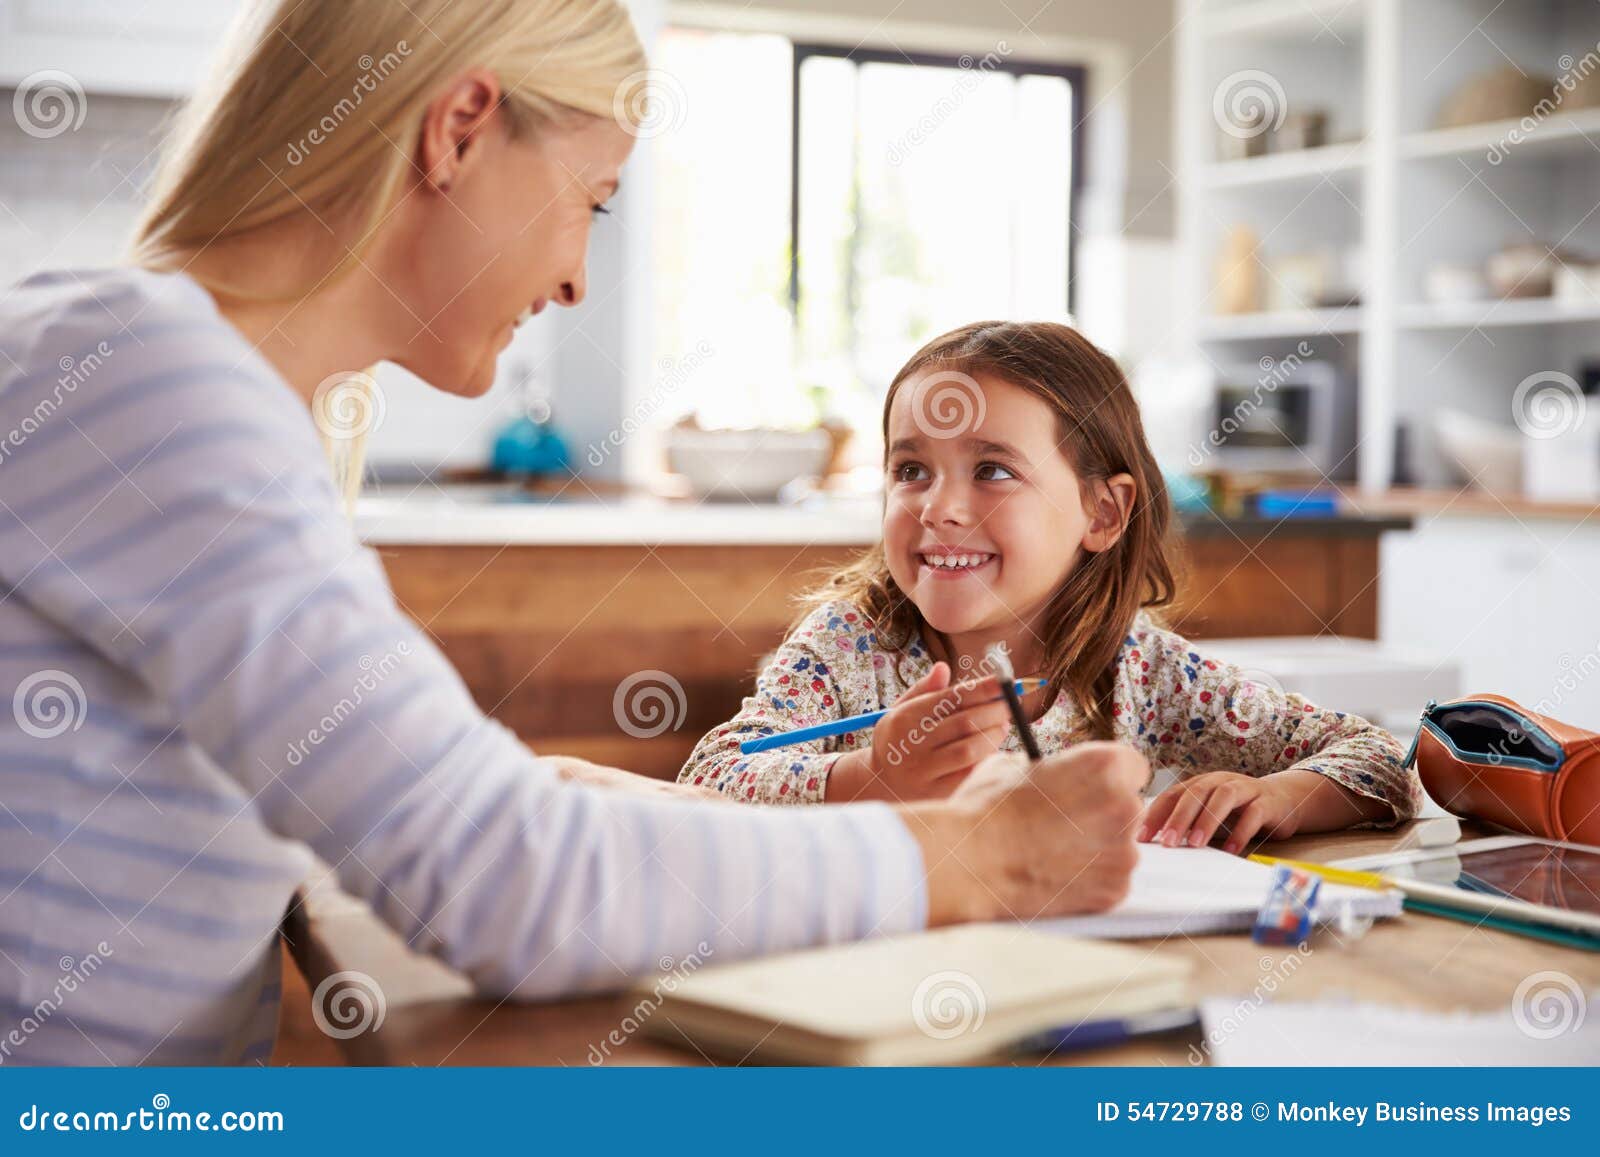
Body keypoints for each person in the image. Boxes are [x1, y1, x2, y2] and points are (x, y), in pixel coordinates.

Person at [0, 1, 1143, 1065]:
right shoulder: (150, 384)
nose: (575, 280)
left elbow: (465, 802)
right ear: (457, 131)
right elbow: (497, 880)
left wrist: (788, 809)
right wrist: (980, 857)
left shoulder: (162, 373)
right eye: (588, 199)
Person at [679, 320, 1423, 853]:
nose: (938, 506)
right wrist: (870, 776)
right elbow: (707, 779)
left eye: (993, 470)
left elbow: (1380, 761)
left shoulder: (1139, 669)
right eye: (911, 470)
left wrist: (1280, 794)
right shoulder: (850, 645)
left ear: (1102, 512)